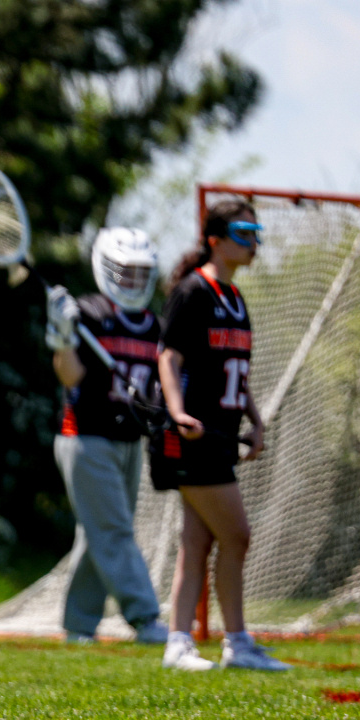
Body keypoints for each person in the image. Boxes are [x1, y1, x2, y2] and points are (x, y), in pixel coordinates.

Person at [153, 200, 290, 673]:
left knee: (198, 544)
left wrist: (256, 420)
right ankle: (237, 643)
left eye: (256, 233)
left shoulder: (235, 299)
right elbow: (168, 358)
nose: (253, 243)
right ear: (215, 239)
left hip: (221, 437)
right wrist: (177, 412)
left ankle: (179, 644)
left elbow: (236, 372)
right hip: (193, 439)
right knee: (237, 536)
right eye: (243, 233)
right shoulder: (193, 292)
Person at [45, 228, 170, 646]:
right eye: (124, 271)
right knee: (114, 531)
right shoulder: (88, 314)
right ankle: (145, 617)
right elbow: (70, 377)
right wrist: (62, 337)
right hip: (86, 437)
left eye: (140, 272)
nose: (133, 280)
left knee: (98, 531)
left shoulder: (153, 326)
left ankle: (79, 626)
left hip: (128, 441)